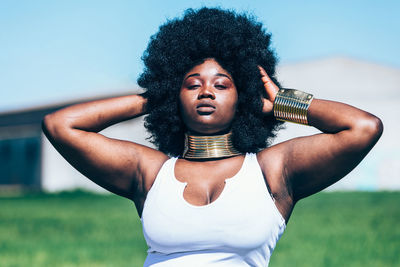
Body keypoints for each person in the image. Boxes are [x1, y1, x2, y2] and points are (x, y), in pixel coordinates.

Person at [42, 7, 383, 267]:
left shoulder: (272, 171)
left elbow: (362, 127)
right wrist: (155, 96)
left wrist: (281, 101)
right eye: (192, 84)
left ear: (243, 97)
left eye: (222, 84)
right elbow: (61, 125)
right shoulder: (149, 171)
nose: (206, 91)